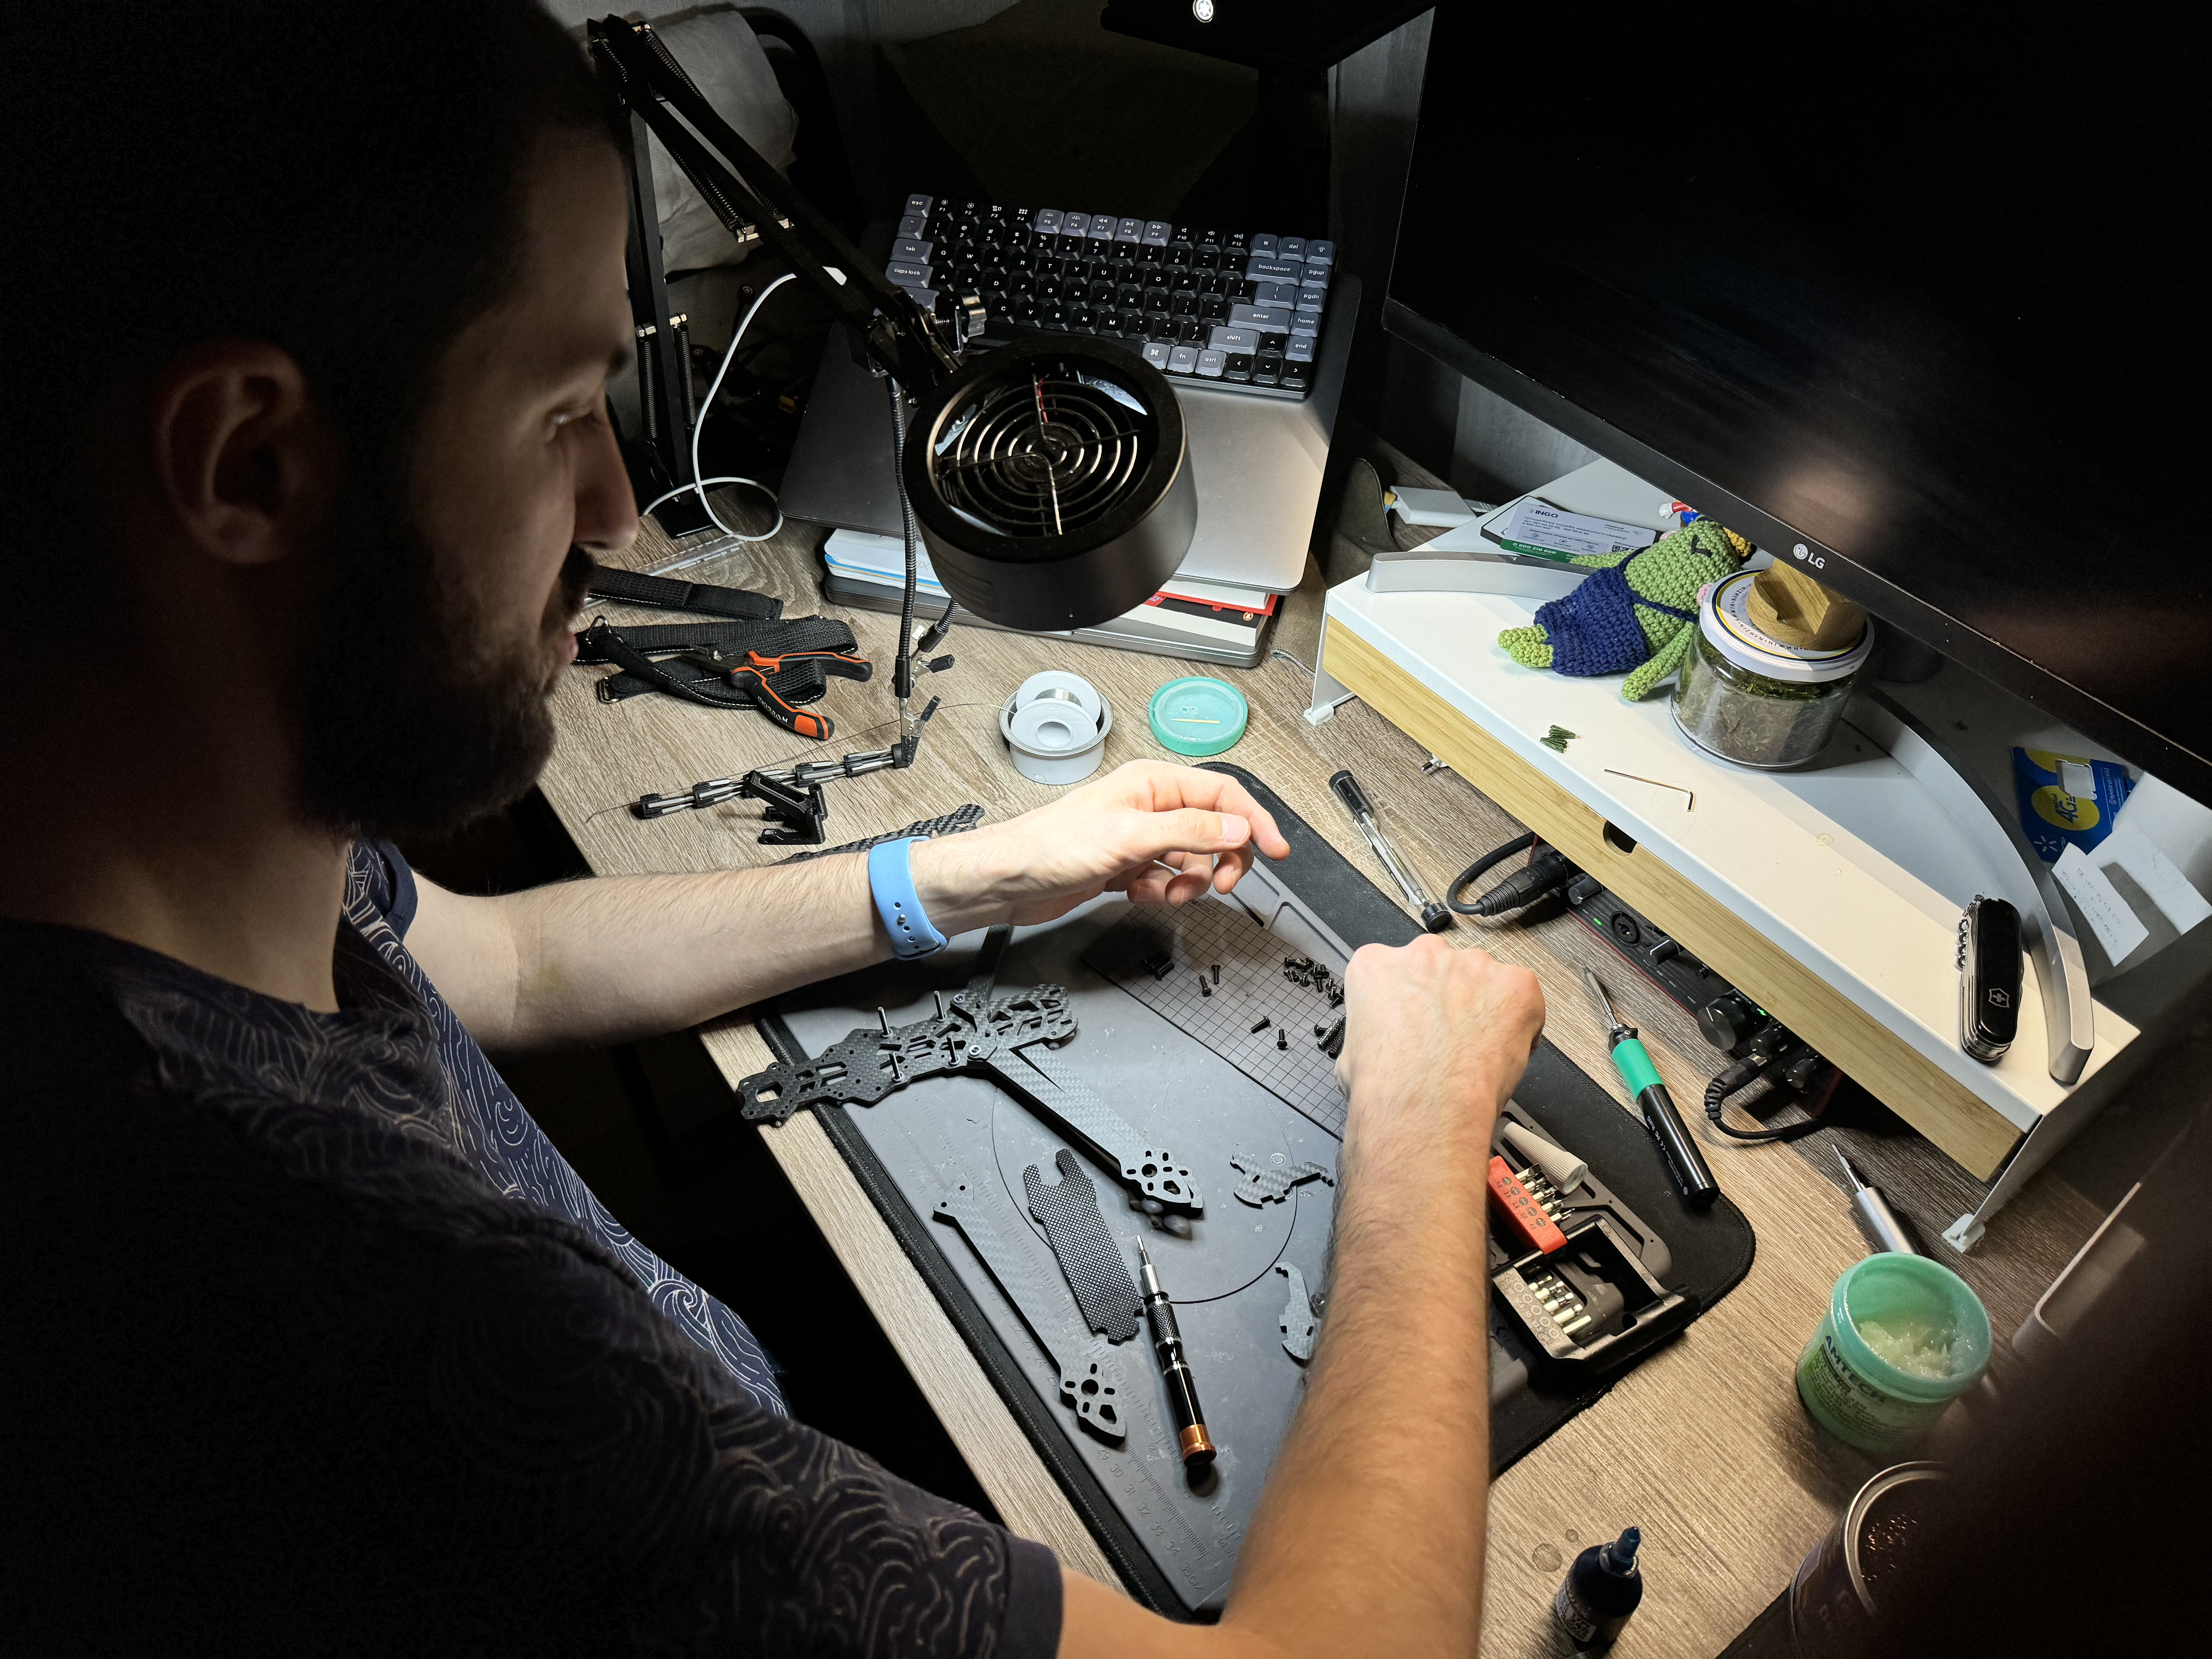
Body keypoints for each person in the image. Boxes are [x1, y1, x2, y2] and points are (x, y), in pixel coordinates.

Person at [0, 4, 1543, 1654]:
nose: (610, 506)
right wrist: (1425, 1121)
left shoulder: (172, 816)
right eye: (559, 410)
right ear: (250, 460)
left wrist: (957, 876)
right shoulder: (390, 1330)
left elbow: (500, 961)